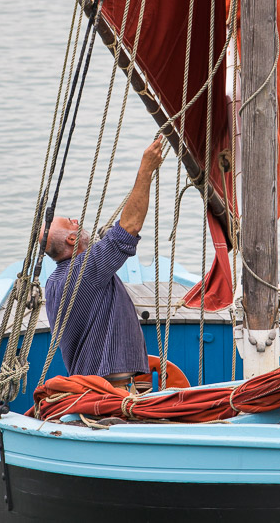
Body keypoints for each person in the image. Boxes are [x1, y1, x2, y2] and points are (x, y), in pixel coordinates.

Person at [43, 136, 163, 388]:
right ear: (72, 238)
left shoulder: (54, 282)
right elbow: (129, 228)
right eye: (71, 222)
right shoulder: (85, 271)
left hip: (91, 387)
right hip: (111, 389)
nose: (77, 220)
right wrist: (146, 169)